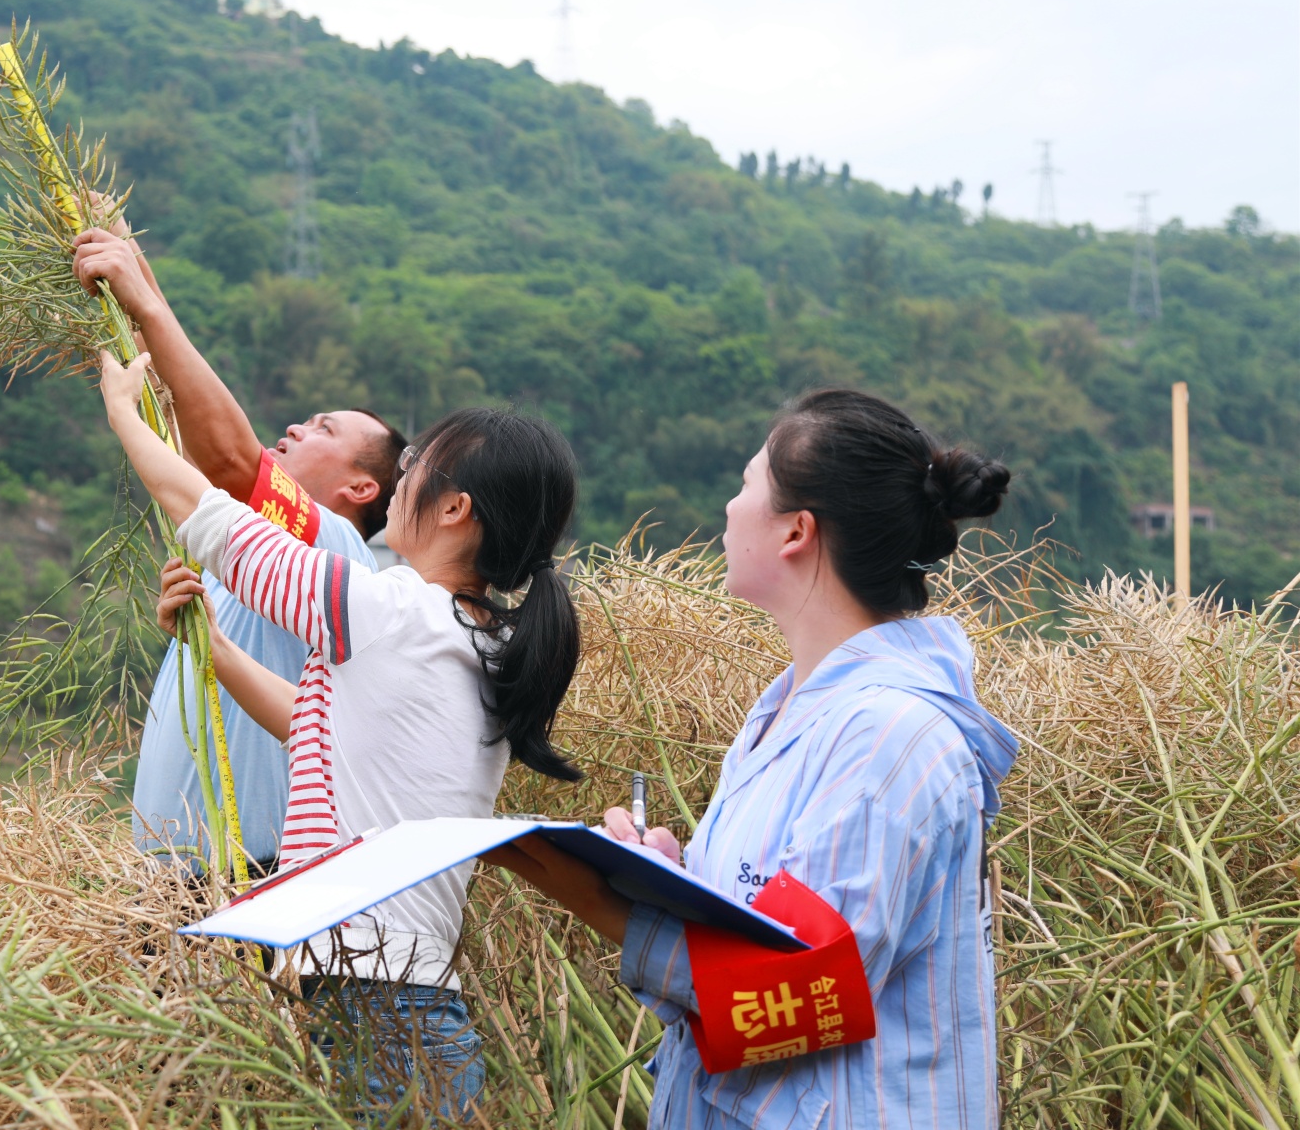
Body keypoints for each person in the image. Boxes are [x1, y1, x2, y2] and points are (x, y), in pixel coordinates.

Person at [485, 388, 1019, 1129]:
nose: (730, 510)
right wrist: (672, 883)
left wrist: (602, 904)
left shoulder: (888, 736)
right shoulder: (789, 709)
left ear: (797, 530)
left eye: (745, 485)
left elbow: (808, 989)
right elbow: (777, 916)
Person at [97, 347, 584, 1117]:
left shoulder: (392, 610)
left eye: (422, 461)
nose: (406, 472)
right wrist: (216, 650)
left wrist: (125, 412)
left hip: (380, 1010)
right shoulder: (474, 636)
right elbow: (317, 726)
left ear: (456, 509)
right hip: (388, 1004)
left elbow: (219, 524)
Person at [71, 223, 404, 871]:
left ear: (361, 486)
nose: (294, 427)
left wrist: (147, 301)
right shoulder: (253, 552)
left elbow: (227, 456)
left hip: (248, 879)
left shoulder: (334, 552)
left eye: (320, 428)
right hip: (172, 886)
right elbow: (178, 408)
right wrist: (128, 264)